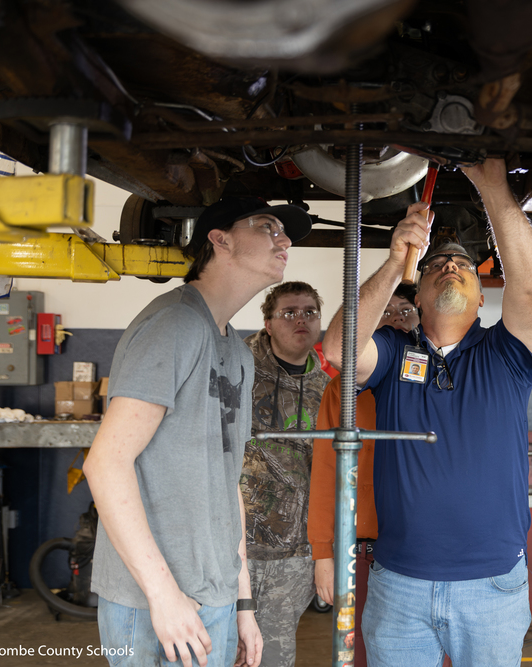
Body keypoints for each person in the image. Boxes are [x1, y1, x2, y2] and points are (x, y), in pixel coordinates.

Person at [322, 158, 532, 667]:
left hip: (491, 585)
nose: (450, 266)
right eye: (434, 266)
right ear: (418, 294)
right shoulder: (393, 352)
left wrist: (492, 184)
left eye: (464, 266)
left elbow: (530, 286)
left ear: (481, 299)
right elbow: (339, 351)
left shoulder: (507, 354)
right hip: (400, 585)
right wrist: (394, 260)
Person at [84, 196, 312, 667]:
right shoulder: (175, 325)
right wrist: (163, 595)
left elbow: (227, 485)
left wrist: (243, 604)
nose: (283, 239)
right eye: (267, 226)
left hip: (215, 596)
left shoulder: (239, 351)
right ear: (220, 239)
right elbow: (105, 463)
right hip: (156, 601)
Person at [307, 284, 419, 667]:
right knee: (356, 652)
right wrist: (324, 554)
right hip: (360, 551)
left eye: (405, 310)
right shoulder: (343, 392)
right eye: (384, 312)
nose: (396, 318)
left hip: (420, 551)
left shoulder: (437, 384)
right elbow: (325, 472)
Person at [241, 281, 330, 667]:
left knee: (273, 656)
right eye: (289, 312)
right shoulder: (235, 368)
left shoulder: (327, 388)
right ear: (268, 322)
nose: (301, 320)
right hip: (231, 548)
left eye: (310, 312)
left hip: (293, 556)